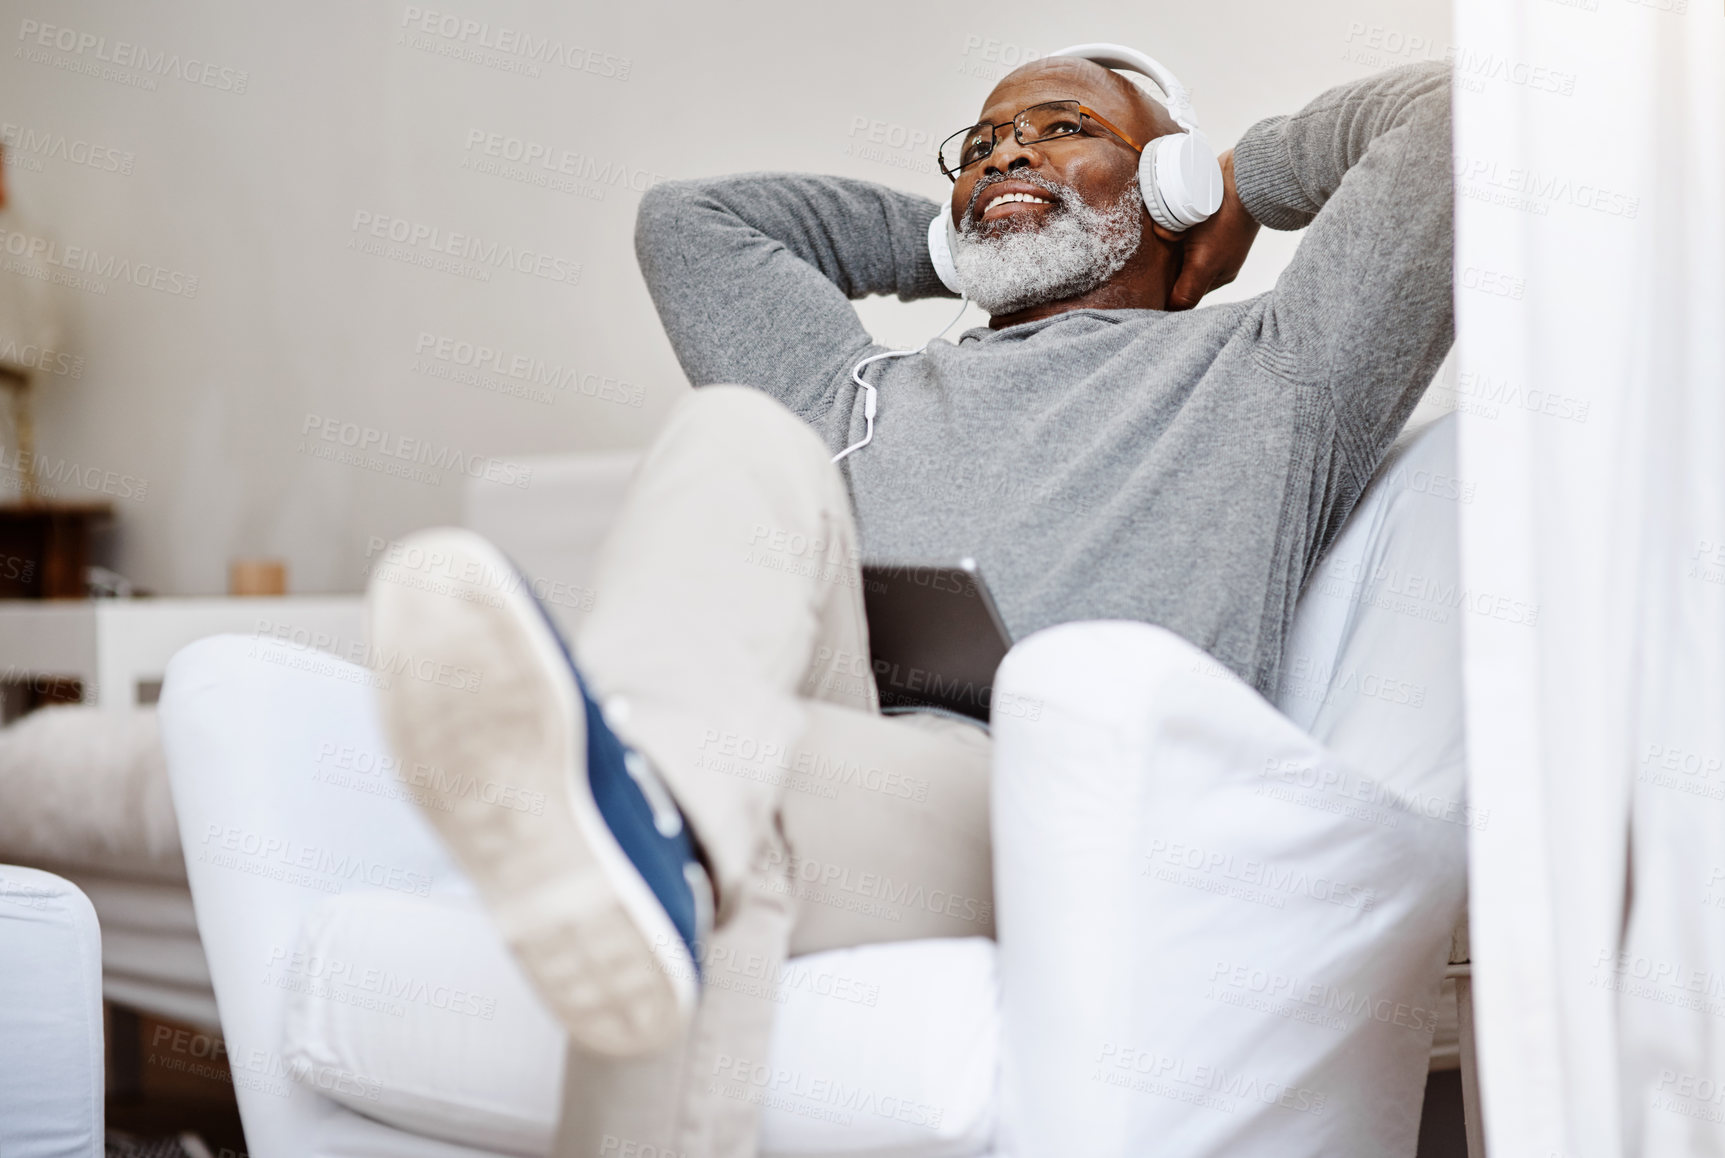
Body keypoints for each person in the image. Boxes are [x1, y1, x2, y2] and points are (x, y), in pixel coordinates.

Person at [367, 51, 1454, 1153]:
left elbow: (1464, 119)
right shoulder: (861, 396)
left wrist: (1240, 178)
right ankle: (651, 803)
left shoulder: (1271, 372)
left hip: (1050, 810)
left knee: (729, 804)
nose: (1008, 152)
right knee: (737, 440)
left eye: (1061, 126)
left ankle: (631, 804)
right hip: (839, 757)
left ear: (1164, 184)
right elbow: (690, 223)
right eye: (979, 149)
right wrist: (947, 249)